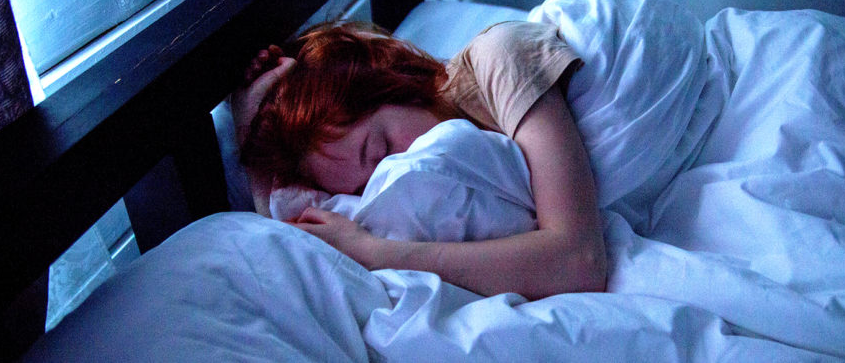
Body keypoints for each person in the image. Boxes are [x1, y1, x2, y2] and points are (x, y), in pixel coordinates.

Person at [232, 21, 607, 300]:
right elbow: (288, 244)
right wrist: (250, 132)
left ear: (394, 82)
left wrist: (376, 254)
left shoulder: (500, 58)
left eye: (380, 151)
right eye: (364, 188)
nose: (396, 174)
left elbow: (579, 261)